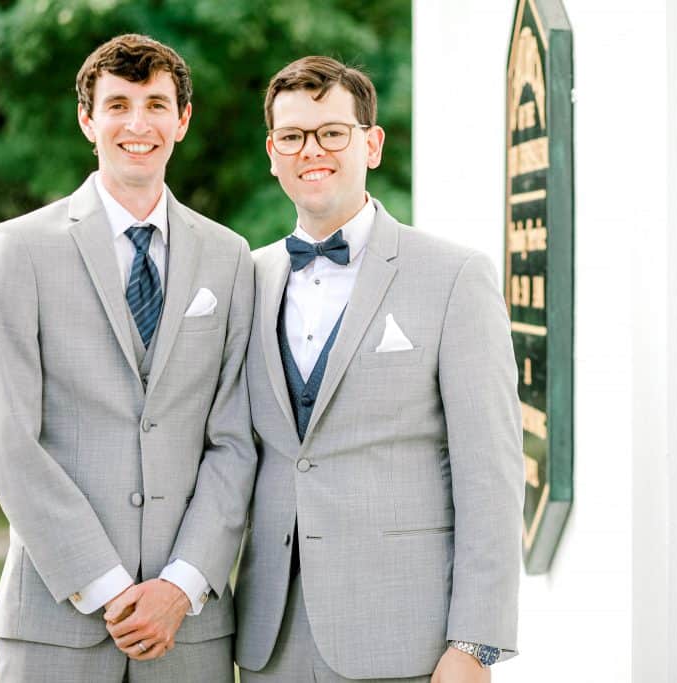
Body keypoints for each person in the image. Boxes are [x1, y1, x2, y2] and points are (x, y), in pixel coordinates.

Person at [234, 56, 524, 683]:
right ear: (272, 151)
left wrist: (476, 646)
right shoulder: (247, 278)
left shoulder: (453, 277)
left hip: (406, 641)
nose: (312, 150)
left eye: (332, 132)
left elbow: (492, 473)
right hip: (270, 642)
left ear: (372, 142)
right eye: (292, 136)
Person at [0, 34, 255, 682]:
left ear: (182, 121)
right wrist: (106, 586)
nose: (138, 123)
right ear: (87, 119)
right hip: (55, 625)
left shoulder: (229, 257)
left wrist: (179, 587)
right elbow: (7, 438)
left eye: (157, 104)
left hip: (189, 631)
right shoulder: (20, 249)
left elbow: (236, 440)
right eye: (118, 104)